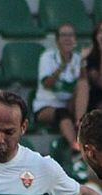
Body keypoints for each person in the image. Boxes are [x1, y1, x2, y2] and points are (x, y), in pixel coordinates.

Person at [32, 23, 82, 153]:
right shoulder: (47, 57)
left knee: (84, 85)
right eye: (63, 35)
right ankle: (75, 147)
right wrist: (62, 66)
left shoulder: (79, 59)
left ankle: (81, 122)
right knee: (62, 113)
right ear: (57, 40)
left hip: (70, 104)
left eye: (70, 35)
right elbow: (47, 83)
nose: (67, 39)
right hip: (46, 106)